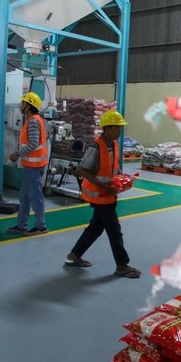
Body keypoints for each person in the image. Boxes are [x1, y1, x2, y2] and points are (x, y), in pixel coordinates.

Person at [64, 110, 140, 278]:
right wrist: (104, 186)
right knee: (114, 230)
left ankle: (74, 255)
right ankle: (122, 265)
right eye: (118, 128)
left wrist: (121, 177)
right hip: (100, 195)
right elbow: (83, 170)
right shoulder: (96, 147)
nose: (120, 131)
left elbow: (113, 167)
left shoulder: (113, 144)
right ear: (108, 128)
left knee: (96, 228)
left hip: (108, 193)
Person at [6, 92, 48, 235]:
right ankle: (21, 225)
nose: (21, 105)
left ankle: (41, 226)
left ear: (29, 106)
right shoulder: (33, 120)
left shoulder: (33, 121)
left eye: (23, 103)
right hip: (32, 166)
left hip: (34, 167)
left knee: (35, 197)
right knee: (24, 196)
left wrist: (17, 154)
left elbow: (34, 144)